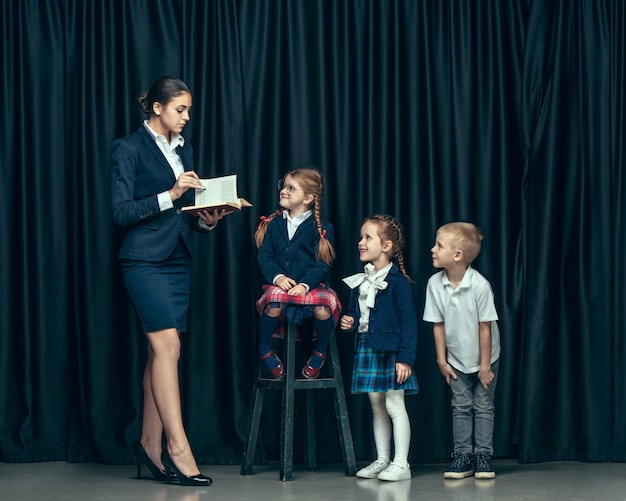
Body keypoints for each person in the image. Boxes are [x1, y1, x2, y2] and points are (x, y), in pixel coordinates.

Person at [111, 76, 225, 486]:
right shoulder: (127, 149)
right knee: (168, 347)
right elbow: (122, 213)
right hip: (142, 260)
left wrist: (206, 221)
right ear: (157, 108)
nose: (187, 117)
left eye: (189, 110)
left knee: (162, 354)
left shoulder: (184, 149)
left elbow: (181, 216)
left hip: (177, 260)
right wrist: (172, 194)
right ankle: (179, 449)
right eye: (181, 109)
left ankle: (148, 444)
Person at [340, 214, 418, 482]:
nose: (361, 242)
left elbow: (409, 323)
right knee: (376, 405)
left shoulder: (398, 283)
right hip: (368, 346)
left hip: (392, 352)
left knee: (395, 404)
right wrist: (348, 320)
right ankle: (383, 459)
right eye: (361, 237)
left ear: (386, 246)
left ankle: (401, 463)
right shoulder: (361, 280)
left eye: (368, 237)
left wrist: (405, 359)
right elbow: (356, 314)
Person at [422, 222, 501, 480]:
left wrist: (486, 366)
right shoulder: (434, 284)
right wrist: (442, 360)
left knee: (483, 405)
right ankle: (463, 456)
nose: (433, 249)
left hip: (485, 357)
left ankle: (483, 457)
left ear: (457, 255)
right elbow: (438, 324)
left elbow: (485, 329)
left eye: (439, 245)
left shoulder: (479, 285)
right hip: (456, 359)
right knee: (461, 406)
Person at [255, 167, 341, 380]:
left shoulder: (322, 227)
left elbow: (322, 263)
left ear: (309, 198)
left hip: (311, 286)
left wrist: (304, 285)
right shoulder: (274, 224)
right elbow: (265, 257)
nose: (284, 191)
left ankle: (320, 350)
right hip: (280, 286)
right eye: (283, 186)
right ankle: (264, 347)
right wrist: (279, 277)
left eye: (291, 188)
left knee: (323, 307)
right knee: (273, 302)